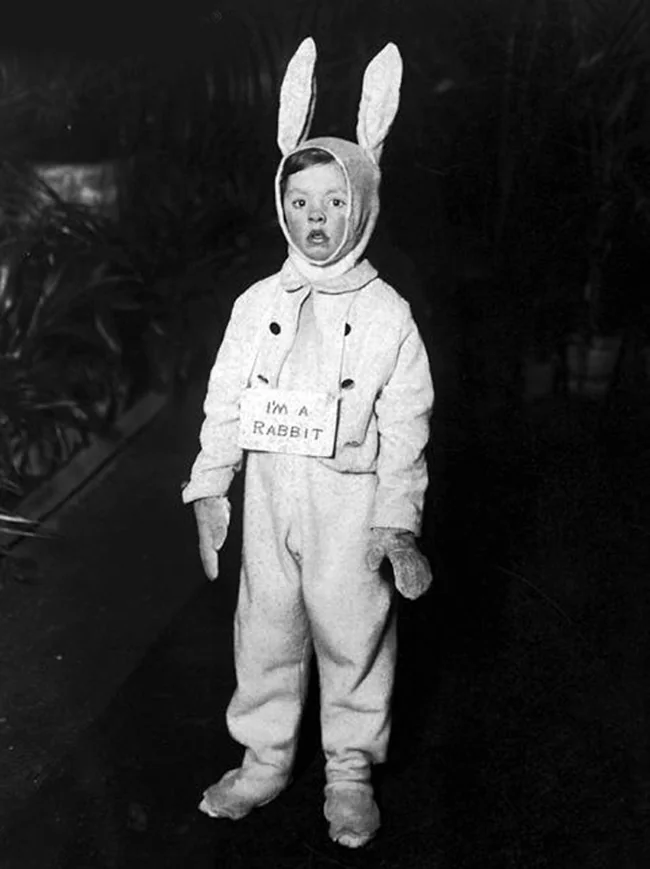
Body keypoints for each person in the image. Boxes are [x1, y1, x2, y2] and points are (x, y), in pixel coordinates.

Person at [181, 37, 434, 849]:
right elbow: (224, 396)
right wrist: (210, 485)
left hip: (349, 500)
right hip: (270, 497)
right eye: (300, 201)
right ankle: (263, 756)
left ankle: (351, 769)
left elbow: (407, 425)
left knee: (352, 631)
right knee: (266, 626)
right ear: (280, 204)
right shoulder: (258, 301)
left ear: (362, 201)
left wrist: (397, 520)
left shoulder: (390, 313)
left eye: (333, 201)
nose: (315, 219)